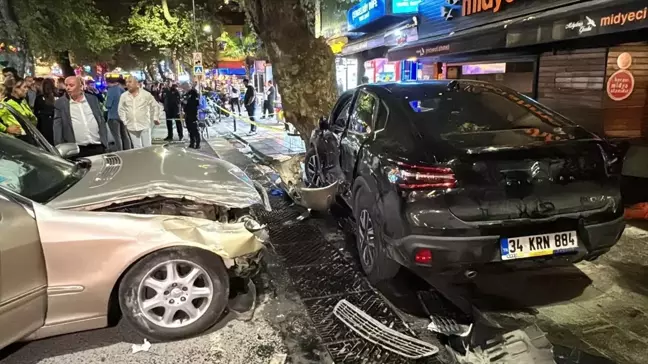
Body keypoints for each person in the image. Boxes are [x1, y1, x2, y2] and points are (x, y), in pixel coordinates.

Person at [53, 76, 108, 157]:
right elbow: (57, 127)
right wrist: (60, 148)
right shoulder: (61, 103)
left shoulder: (92, 99)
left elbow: (101, 120)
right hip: (76, 149)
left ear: (81, 87)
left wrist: (105, 142)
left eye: (71, 85)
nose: (68, 88)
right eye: (66, 85)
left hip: (98, 146)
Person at [118, 76, 159, 149]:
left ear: (137, 83)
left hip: (144, 125)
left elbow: (155, 106)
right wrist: (125, 121)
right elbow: (121, 109)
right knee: (137, 148)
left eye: (130, 82)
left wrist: (155, 117)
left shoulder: (146, 94)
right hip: (131, 126)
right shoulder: (123, 96)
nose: (127, 84)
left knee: (147, 147)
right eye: (126, 82)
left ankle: (148, 160)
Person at [105, 77, 131, 150]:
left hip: (113, 116)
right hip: (123, 116)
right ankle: (128, 150)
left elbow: (108, 104)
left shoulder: (111, 90)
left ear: (109, 83)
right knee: (125, 135)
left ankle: (120, 151)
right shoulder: (122, 90)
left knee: (117, 137)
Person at [33, 78, 57, 145]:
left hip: (43, 124)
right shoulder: (58, 97)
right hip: (54, 123)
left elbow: (36, 111)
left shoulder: (39, 98)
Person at [181, 82, 200, 149]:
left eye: (185, 87)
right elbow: (182, 102)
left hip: (193, 114)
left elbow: (196, 103)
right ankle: (192, 142)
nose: (184, 89)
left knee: (194, 129)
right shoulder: (186, 94)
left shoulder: (194, 93)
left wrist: (187, 103)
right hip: (187, 114)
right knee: (189, 129)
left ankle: (197, 143)